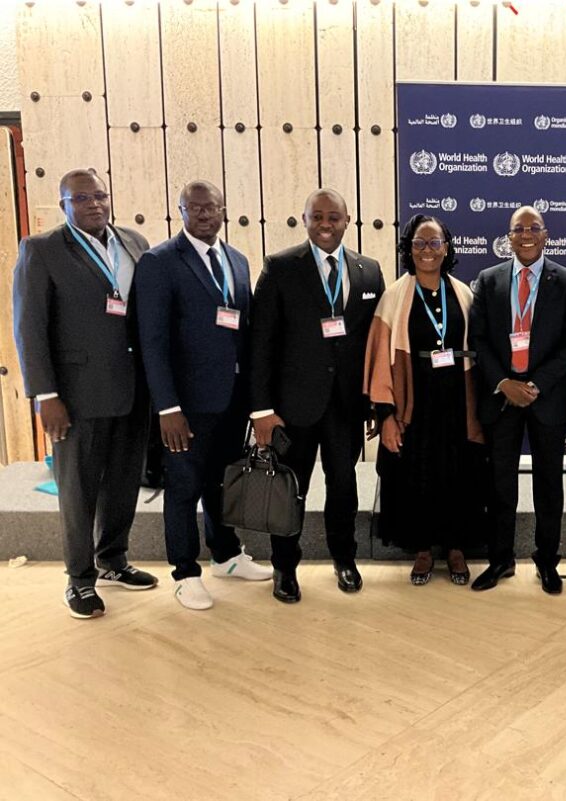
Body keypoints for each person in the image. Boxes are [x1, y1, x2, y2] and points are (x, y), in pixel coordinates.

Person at [12, 168, 158, 618]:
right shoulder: (42, 250)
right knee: (78, 491)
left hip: (133, 388)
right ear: (63, 205)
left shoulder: (134, 242)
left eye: (99, 195)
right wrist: (45, 394)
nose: (94, 204)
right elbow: (29, 328)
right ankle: (79, 579)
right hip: (76, 395)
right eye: (81, 198)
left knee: (123, 481)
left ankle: (113, 559)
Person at [134, 180, 273, 611]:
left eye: (212, 207)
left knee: (222, 481)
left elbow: (244, 332)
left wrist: (254, 400)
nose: (204, 214)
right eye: (194, 207)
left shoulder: (237, 260)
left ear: (223, 210)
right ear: (180, 211)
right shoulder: (159, 262)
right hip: (186, 405)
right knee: (184, 487)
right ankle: (185, 573)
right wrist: (168, 407)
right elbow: (152, 341)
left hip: (231, 400)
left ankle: (226, 555)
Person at [249, 189, 384, 603]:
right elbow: (260, 344)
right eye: (318, 217)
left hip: (346, 406)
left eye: (334, 217)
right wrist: (261, 410)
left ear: (347, 221)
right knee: (290, 490)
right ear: (305, 219)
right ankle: (284, 568)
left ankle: (344, 559)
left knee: (344, 487)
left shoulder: (368, 271)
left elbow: (374, 345)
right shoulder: (280, 267)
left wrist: (374, 403)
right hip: (292, 408)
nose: (326, 224)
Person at [364, 214, 488, 585]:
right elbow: (380, 360)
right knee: (415, 476)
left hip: (457, 403)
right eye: (419, 243)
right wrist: (385, 415)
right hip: (413, 403)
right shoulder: (394, 297)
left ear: (446, 248)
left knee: (459, 475)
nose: (427, 250)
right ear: (409, 249)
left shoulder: (464, 294)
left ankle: (455, 548)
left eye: (435, 242)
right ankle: (421, 551)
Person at [468, 206, 566, 594]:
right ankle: (501, 559)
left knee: (548, 484)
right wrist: (504, 382)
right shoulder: (489, 280)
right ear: (509, 237)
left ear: (546, 234)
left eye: (534, 228)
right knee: (500, 484)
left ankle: (547, 561)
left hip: (546, 398)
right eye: (519, 229)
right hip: (501, 399)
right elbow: (478, 340)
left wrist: (534, 384)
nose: (527, 234)